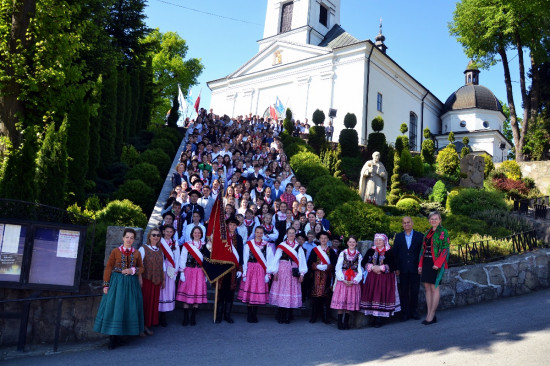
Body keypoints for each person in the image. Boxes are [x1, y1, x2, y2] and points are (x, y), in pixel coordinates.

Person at [94, 228, 144, 349]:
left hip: (131, 283)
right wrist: (106, 284)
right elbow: (109, 267)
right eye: (127, 237)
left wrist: (132, 270)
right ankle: (112, 338)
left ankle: (122, 337)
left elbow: (141, 268)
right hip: (117, 283)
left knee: (127, 308)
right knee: (115, 308)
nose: (129, 240)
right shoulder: (115, 252)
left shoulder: (136, 253)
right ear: (123, 238)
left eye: (132, 238)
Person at [360, 233, 401, 328]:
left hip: (385, 278)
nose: (378, 242)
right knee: (373, 296)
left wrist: (381, 268)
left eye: (380, 240)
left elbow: (394, 264)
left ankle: (379, 319)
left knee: (381, 296)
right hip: (373, 278)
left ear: (384, 241)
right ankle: (374, 317)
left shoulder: (389, 251)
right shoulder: (371, 250)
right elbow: (364, 262)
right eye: (376, 240)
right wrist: (372, 267)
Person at [268, 227, 307, 324]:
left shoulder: (298, 247)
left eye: (293, 233)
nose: (291, 235)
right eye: (290, 233)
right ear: (286, 234)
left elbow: (302, 261)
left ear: (295, 234)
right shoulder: (282, 245)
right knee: (282, 292)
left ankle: (288, 315)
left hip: (293, 272)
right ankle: (281, 315)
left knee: (291, 293)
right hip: (282, 271)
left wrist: (302, 273)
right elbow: (276, 259)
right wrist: (275, 272)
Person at [418, 211, 450, 325]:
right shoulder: (427, 233)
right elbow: (422, 250)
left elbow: (446, 248)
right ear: (429, 220)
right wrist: (420, 265)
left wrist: (438, 263)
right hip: (426, 262)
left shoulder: (443, 232)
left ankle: (432, 314)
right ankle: (429, 313)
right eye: (431, 219)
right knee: (427, 288)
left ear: (440, 220)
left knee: (434, 288)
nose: (433, 221)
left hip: (436, 263)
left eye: (436, 218)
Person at [238, 226, 272, 323]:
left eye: (261, 233)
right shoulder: (249, 245)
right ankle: (249, 314)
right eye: (257, 232)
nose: (259, 234)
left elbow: (270, 260)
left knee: (257, 292)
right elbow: (245, 259)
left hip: (261, 270)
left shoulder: (267, 245)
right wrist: (244, 272)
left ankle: (255, 314)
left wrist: (268, 274)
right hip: (250, 269)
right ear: (255, 233)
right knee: (250, 291)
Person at [393, 216, 424, 321]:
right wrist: (396, 268)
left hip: (415, 268)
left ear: (412, 223)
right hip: (403, 269)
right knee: (404, 291)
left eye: (408, 222)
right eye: (404, 223)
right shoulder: (398, 236)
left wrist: (421, 266)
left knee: (415, 291)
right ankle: (405, 313)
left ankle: (414, 312)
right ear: (402, 224)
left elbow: (422, 253)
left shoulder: (420, 236)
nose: (406, 224)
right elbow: (395, 253)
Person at [177, 226, 207, 326]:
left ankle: (193, 317)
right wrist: (182, 272)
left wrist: (207, 274)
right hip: (188, 271)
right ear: (192, 234)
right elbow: (182, 258)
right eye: (195, 232)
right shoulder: (187, 245)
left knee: (196, 294)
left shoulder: (205, 245)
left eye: (199, 233)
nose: (197, 234)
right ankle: (186, 317)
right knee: (186, 294)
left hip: (200, 272)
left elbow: (207, 260)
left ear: (201, 234)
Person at [215, 217, 243, 324]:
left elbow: (240, 253)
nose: (232, 227)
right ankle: (219, 315)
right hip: (222, 268)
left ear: (236, 226)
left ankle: (227, 315)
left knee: (230, 294)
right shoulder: (222, 237)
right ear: (227, 225)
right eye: (230, 225)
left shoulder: (239, 238)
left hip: (232, 269)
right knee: (220, 293)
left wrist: (240, 268)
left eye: (234, 225)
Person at [330, 236, 363, 330]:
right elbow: (338, 267)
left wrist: (355, 280)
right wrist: (342, 279)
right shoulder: (343, 253)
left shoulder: (359, 255)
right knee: (342, 299)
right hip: (343, 279)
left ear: (356, 243)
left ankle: (346, 321)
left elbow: (360, 270)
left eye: (353, 242)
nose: (352, 244)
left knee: (349, 300)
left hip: (353, 279)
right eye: (350, 242)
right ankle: (339, 321)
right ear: (347, 243)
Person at [307, 231, 337, 324]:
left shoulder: (331, 251)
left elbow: (334, 264)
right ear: (319, 239)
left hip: (327, 277)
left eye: (325, 238)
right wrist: (316, 266)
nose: (323, 240)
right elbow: (309, 263)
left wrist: (327, 267)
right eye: (322, 238)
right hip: (315, 277)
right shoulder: (315, 250)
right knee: (315, 298)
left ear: (328, 240)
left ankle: (325, 317)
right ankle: (314, 316)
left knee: (326, 297)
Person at [138, 228, 164, 336]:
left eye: (158, 235)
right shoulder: (143, 249)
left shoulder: (159, 250)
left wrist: (163, 280)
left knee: (153, 304)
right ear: (149, 236)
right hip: (146, 280)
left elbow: (162, 266)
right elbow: (139, 265)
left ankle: (147, 325)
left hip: (156, 281)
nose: (156, 237)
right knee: (145, 303)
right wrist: (139, 279)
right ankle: (140, 327)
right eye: (153, 235)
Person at [158, 225, 180, 327]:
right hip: (161, 268)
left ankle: (163, 316)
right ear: (163, 232)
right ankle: (157, 315)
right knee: (160, 290)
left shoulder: (175, 243)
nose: (169, 233)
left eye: (171, 232)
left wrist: (176, 270)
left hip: (171, 268)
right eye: (167, 231)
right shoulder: (159, 242)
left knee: (167, 291)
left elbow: (177, 257)